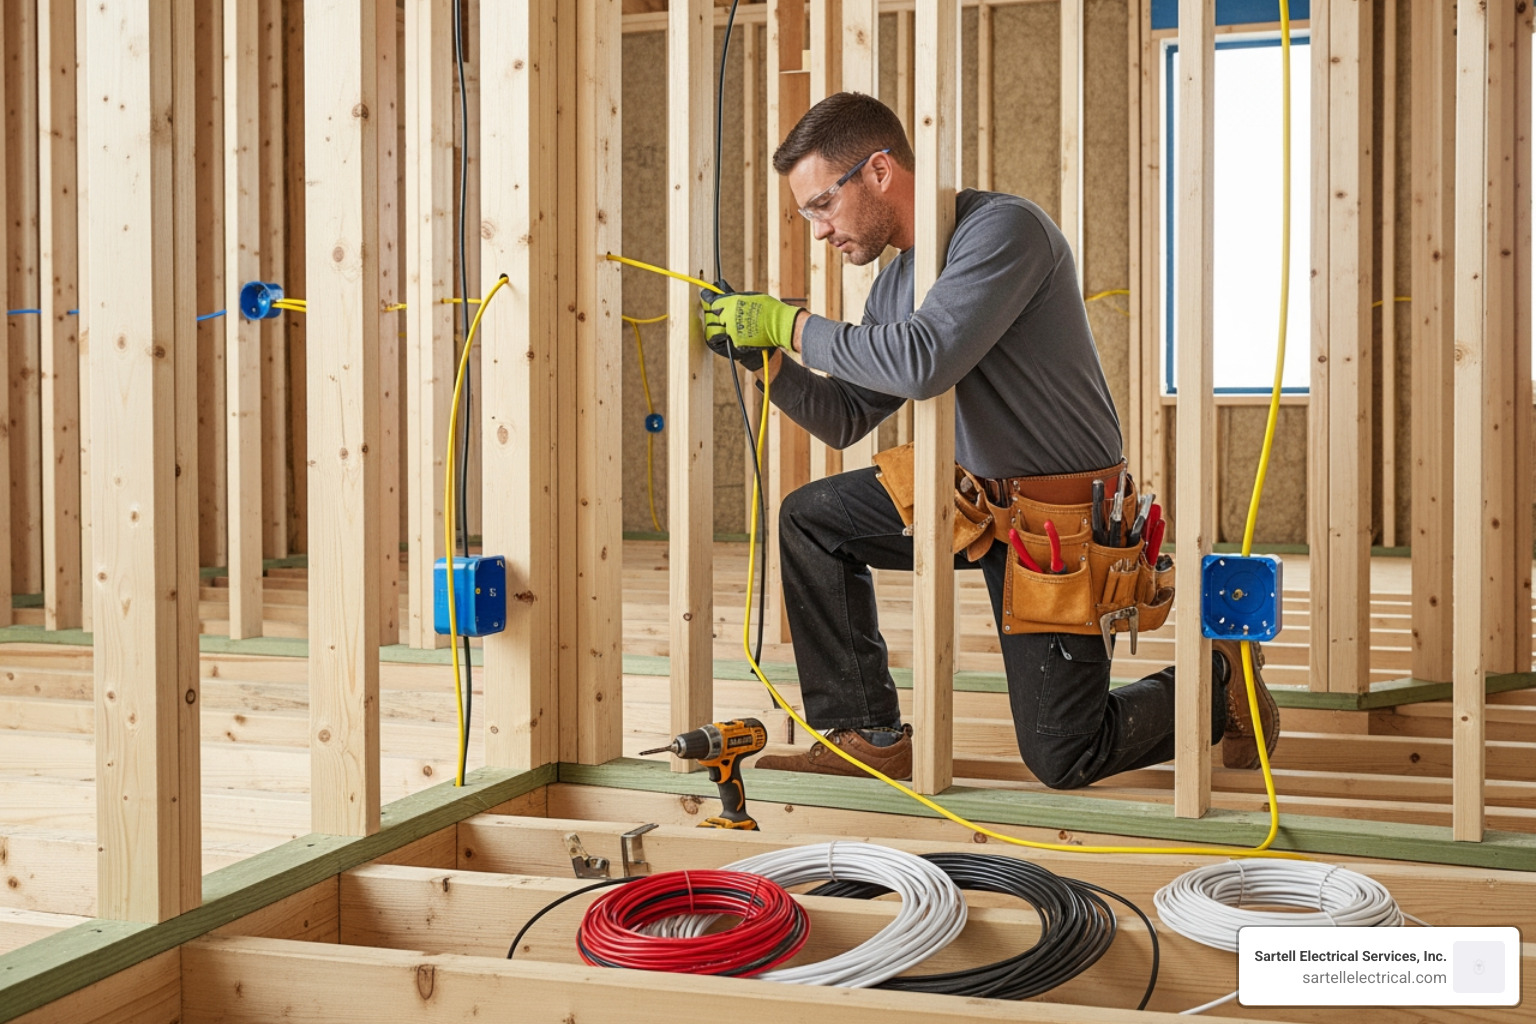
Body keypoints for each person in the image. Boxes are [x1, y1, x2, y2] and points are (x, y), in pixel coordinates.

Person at [700, 91, 1277, 788]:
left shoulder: (1003, 232)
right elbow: (850, 414)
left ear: (878, 171)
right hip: (972, 502)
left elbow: (924, 360)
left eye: (822, 204)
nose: (819, 230)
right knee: (812, 520)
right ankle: (869, 734)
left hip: (1053, 526)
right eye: (807, 215)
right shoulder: (896, 282)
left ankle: (1219, 682)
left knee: (1067, 756)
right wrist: (766, 361)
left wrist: (787, 324)